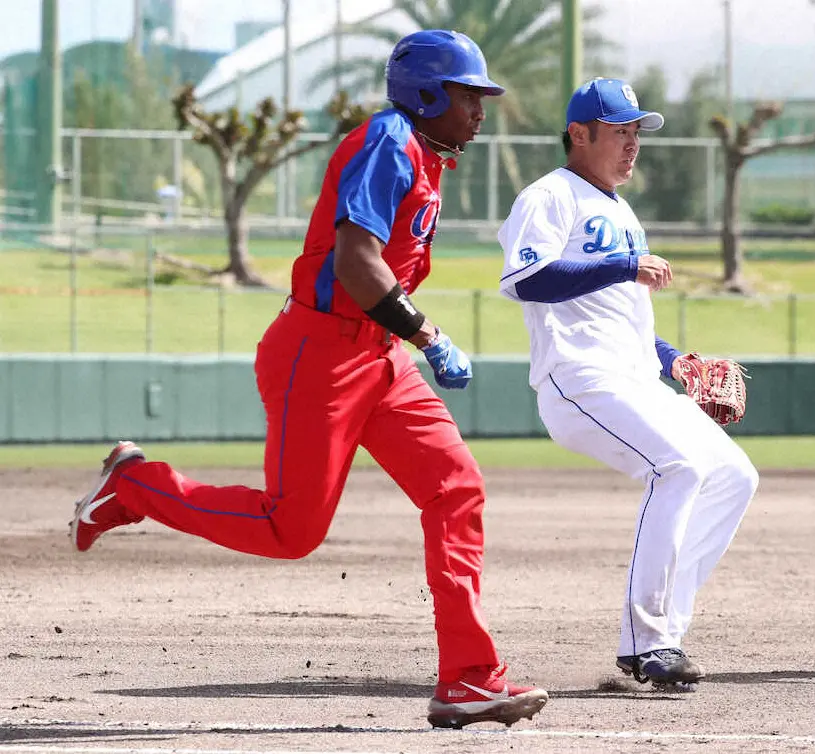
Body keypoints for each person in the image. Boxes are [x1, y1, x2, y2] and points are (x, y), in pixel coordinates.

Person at [69, 30, 548, 729]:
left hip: (380, 357)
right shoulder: (388, 142)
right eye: (467, 94)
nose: (479, 109)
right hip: (319, 356)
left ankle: (469, 679)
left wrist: (406, 339)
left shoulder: (423, 154)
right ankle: (136, 485)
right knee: (289, 530)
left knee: (456, 489)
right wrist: (429, 335)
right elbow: (357, 262)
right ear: (426, 94)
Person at [497, 77, 759, 689]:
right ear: (579, 134)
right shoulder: (549, 196)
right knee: (678, 469)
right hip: (579, 380)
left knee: (733, 476)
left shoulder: (621, 210)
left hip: (635, 376)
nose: (632, 144)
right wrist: (622, 263)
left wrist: (674, 361)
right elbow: (526, 279)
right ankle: (646, 644)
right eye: (620, 131)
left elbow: (623, 317)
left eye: (636, 132)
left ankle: (663, 629)